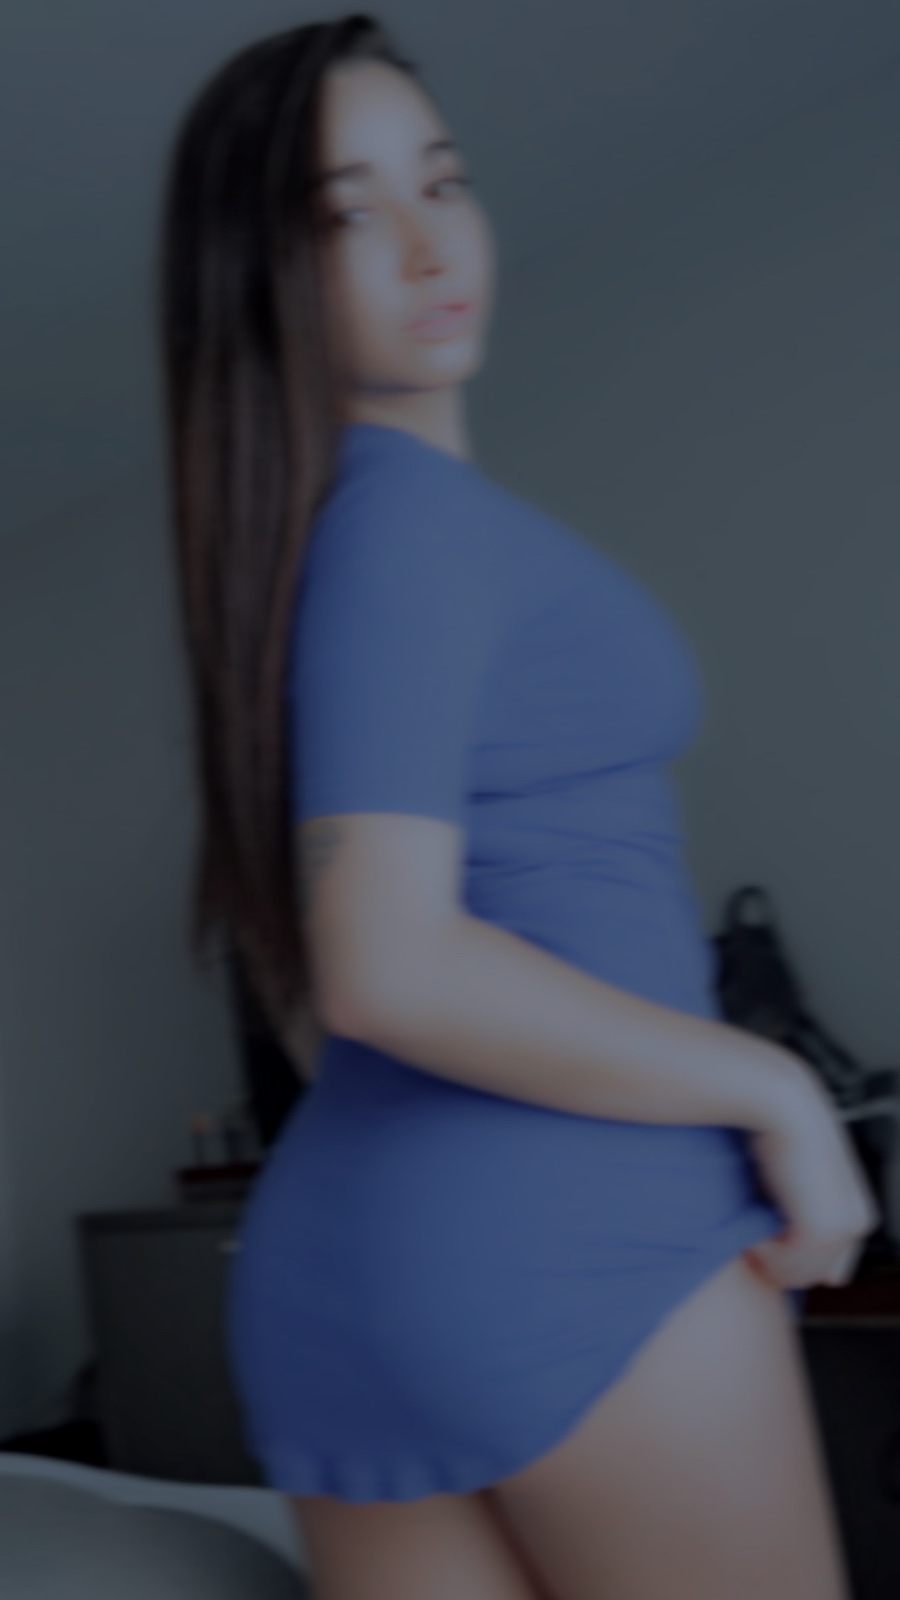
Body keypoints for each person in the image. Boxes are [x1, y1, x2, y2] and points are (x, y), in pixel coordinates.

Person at [158, 14, 877, 1599]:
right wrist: (777, 1090)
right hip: (575, 1229)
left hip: (347, 1269)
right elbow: (385, 966)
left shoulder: (310, 554)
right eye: (348, 214)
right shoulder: (408, 530)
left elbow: (319, 999)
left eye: (445, 181)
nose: (430, 244)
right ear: (259, 274)